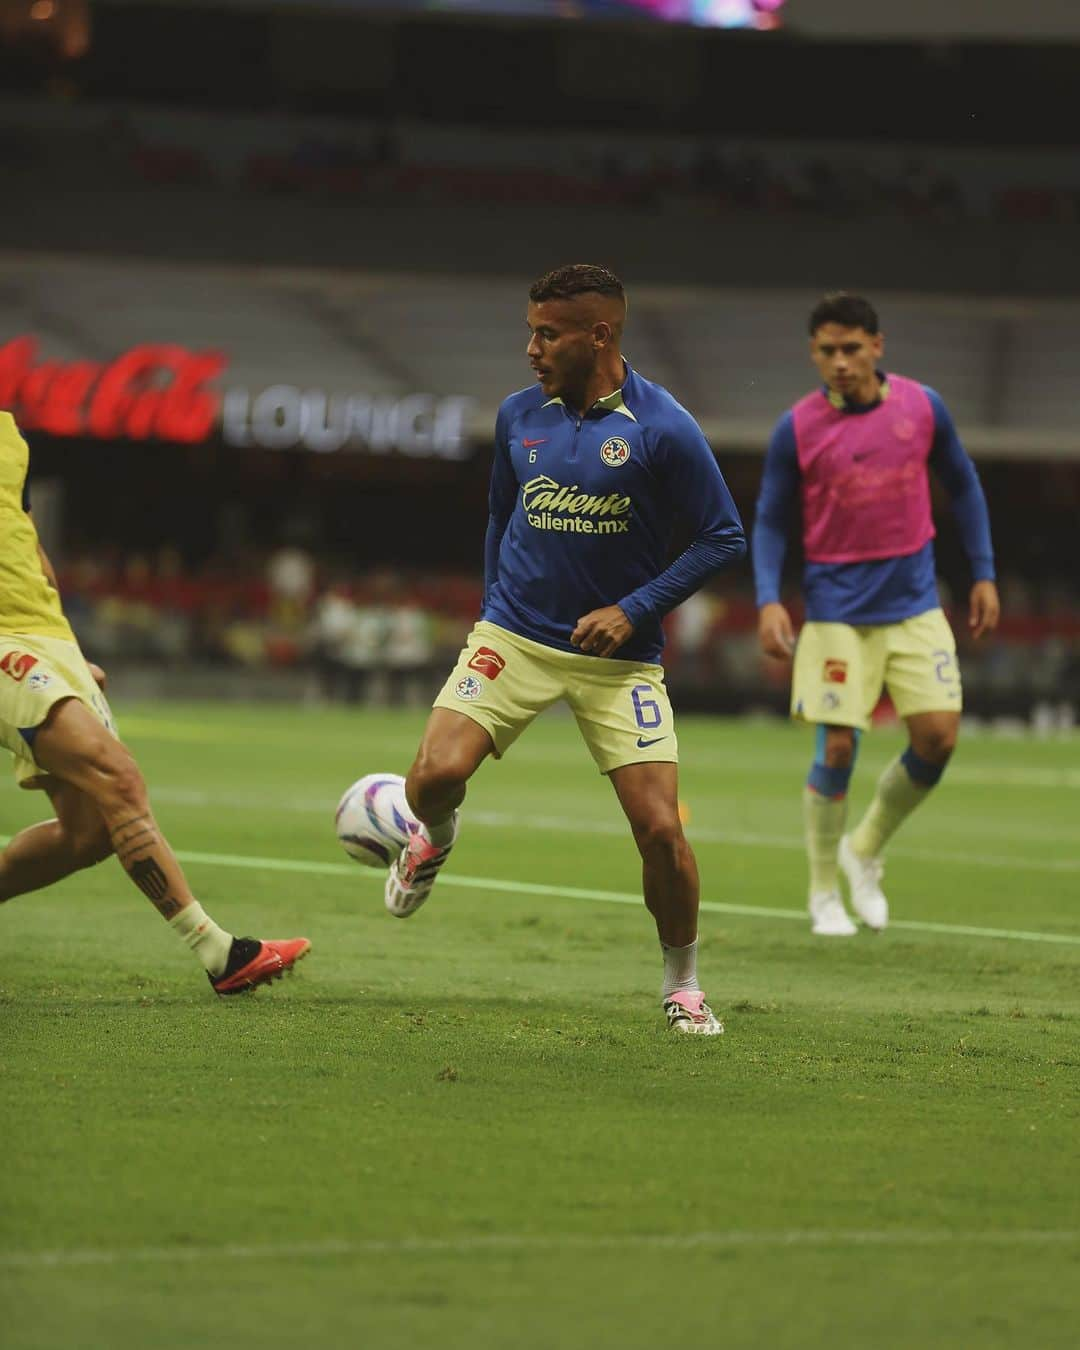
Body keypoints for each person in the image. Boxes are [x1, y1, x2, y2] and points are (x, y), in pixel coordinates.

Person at [382, 263, 746, 1035]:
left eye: (547, 334)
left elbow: (723, 536)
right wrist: (492, 613)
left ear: (600, 335)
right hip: (514, 636)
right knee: (432, 779)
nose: (531, 349)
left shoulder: (663, 428)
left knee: (660, 830)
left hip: (619, 661)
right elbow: (497, 516)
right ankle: (434, 839)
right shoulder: (519, 417)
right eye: (530, 332)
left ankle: (683, 986)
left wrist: (635, 609)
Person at [0, 410, 310, 993]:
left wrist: (64, 646)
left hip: (44, 638)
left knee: (87, 832)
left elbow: (24, 541)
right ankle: (221, 953)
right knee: (118, 778)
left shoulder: (9, 434)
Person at [752, 292, 999, 936]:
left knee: (939, 739)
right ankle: (822, 892)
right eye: (827, 350)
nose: (839, 362)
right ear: (814, 353)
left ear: (877, 346)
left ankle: (863, 850)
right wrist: (768, 597)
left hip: (915, 605)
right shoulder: (796, 428)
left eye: (851, 348)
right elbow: (772, 519)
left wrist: (984, 574)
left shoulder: (922, 407)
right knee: (838, 746)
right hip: (835, 613)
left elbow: (965, 485)